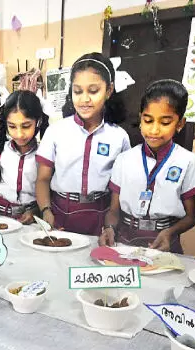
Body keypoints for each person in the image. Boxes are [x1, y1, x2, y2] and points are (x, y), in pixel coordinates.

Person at [99, 80, 195, 251]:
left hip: (165, 242)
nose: (154, 130)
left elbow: (191, 217)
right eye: (148, 120)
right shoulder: (125, 159)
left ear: (180, 124)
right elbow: (113, 210)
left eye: (165, 123)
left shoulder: (187, 161)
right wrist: (109, 229)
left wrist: (169, 233)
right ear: (141, 118)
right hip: (125, 240)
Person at [35, 52, 131, 235]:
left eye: (93, 91)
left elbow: (120, 189)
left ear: (109, 90)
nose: (84, 99)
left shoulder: (119, 137)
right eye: (77, 91)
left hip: (100, 216)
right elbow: (43, 178)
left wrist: (111, 224)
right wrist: (46, 210)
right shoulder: (56, 131)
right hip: (59, 212)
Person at [0, 90, 49, 223]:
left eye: (26, 126)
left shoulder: (45, 155)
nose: (19, 134)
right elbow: (1, 186)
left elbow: (49, 195)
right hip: (0, 216)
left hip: (30, 220)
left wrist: (35, 212)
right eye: (12, 126)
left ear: (38, 122)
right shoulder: (1, 151)